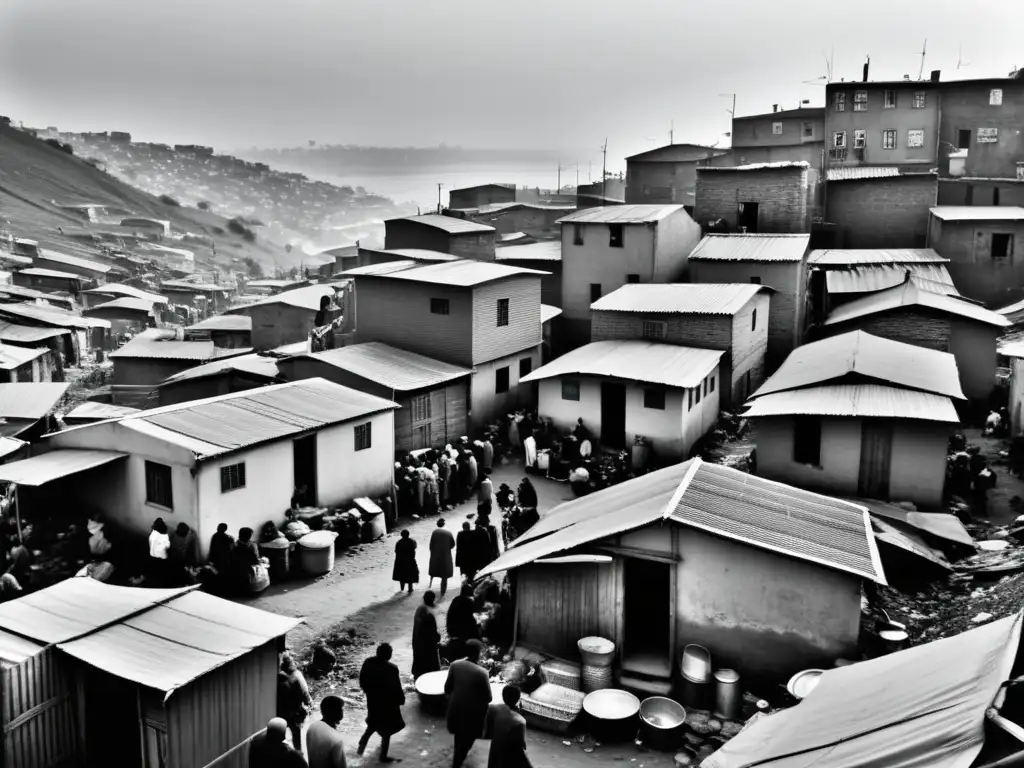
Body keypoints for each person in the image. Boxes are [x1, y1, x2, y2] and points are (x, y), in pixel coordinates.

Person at [444, 640, 492, 768]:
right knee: (467, 740)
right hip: (472, 715)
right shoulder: (482, 673)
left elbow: (447, 689)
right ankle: (457, 762)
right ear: (478, 654)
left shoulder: (455, 665)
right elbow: (489, 698)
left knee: (459, 738)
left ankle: (457, 759)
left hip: (454, 711)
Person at [357, 643, 406, 763]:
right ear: (389, 655)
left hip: (373, 701)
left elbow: (362, 680)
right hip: (387, 704)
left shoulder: (368, 662)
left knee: (372, 725)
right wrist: (401, 699)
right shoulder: (392, 668)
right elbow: (396, 687)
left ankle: (359, 752)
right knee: (387, 731)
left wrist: (368, 692)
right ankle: (383, 757)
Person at [485, 685, 533, 768]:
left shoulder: (495, 709)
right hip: (508, 756)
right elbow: (521, 745)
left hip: (495, 750)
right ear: (518, 699)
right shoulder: (519, 721)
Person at [277, 653, 312, 752]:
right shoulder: (297, 675)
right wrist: (308, 703)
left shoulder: (279, 678)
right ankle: (299, 753)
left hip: (282, 713)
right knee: (296, 736)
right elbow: (304, 693)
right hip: (294, 713)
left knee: (281, 736)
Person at [306, 696, 347, 768]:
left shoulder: (312, 727)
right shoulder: (336, 738)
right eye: (342, 709)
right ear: (338, 713)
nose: (344, 711)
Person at [411, 591, 441, 679]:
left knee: (418, 662)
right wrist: (438, 638)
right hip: (428, 647)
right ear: (433, 600)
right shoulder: (429, 615)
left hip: (417, 643)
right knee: (429, 668)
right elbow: (433, 635)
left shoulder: (419, 609)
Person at [446, 584, 479, 659]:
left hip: (452, 630)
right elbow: (470, 619)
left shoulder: (456, 599)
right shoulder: (468, 601)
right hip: (462, 634)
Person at [428, 518, 455, 597]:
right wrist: (446, 548)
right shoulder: (448, 532)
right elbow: (453, 544)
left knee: (434, 570)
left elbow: (431, 545)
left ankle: (430, 584)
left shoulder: (434, 532)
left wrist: (433, 553)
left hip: (435, 556)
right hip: (445, 556)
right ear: (444, 524)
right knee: (444, 576)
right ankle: (442, 594)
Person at [392, 529, 419, 593]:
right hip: (410, 560)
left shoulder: (399, 542)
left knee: (401, 575)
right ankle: (410, 589)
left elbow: (396, 551)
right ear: (408, 534)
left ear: (401, 535)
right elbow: (415, 547)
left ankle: (402, 589)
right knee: (410, 575)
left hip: (400, 561)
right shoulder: (412, 541)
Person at [148, 518, 170, 586]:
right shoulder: (164, 536)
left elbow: (150, 545)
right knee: (163, 577)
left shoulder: (151, 535)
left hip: (152, 558)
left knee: (155, 576)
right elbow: (167, 546)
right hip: (162, 559)